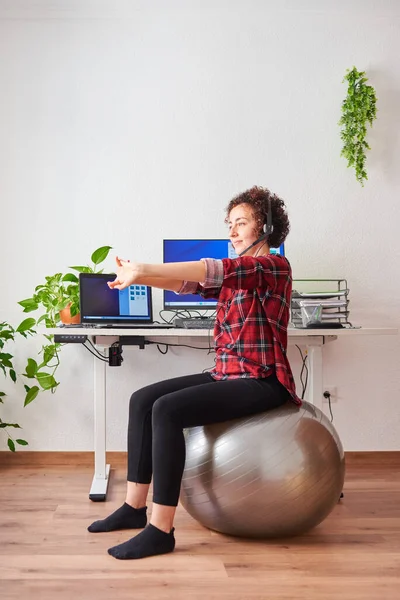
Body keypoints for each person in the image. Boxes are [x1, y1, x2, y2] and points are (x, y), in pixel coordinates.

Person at [88, 185, 301, 560]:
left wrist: (144, 268)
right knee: (142, 400)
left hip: (263, 381)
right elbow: (190, 283)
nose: (232, 231)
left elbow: (212, 268)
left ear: (265, 228)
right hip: (227, 373)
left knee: (168, 410)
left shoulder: (272, 268)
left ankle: (160, 530)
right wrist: (139, 277)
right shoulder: (236, 280)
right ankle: (135, 508)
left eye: (241, 223)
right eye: (229, 223)